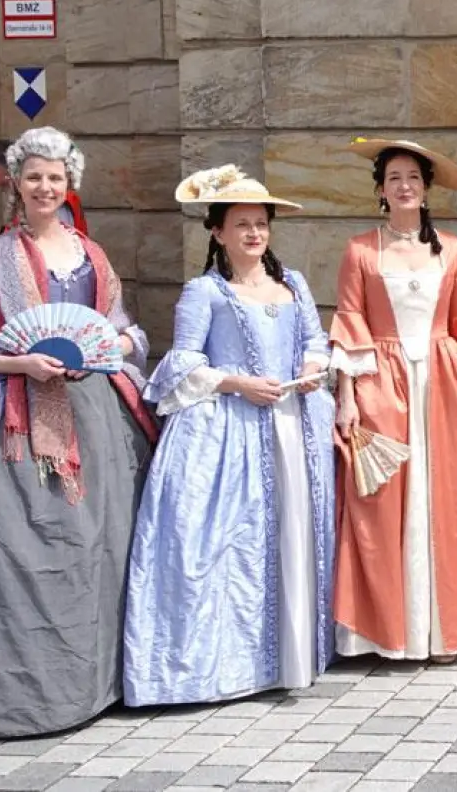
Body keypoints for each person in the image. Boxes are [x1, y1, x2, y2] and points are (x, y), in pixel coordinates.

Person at [122, 166, 336, 705]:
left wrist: (311, 369)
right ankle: (224, 667)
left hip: (292, 424)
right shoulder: (205, 292)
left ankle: (291, 656)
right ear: (217, 232)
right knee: (227, 545)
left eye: (261, 224)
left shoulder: (293, 284)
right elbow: (181, 364)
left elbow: (316, 339)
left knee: (289, 534)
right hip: (229, 431)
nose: (254, 234)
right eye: (242, 224)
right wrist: (237, 381)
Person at [0, 127, 157, 737]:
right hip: (21, 421)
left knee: (100, 548)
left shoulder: (93, 255)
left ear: (69, 183)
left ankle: (102, 683)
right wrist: (20, 362)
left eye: (55, 177)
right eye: (34, 177)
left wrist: (114, 346)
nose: (45, 187)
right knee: (36, 548)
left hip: (97, 417)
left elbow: (124, 329)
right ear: (15, 185)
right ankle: (39, 695)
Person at [329, 138, 457, 664]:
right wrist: (348, 396)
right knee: (381, 504)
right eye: (394, 178)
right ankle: (387, 632)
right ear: (380, 189)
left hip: (445, 387)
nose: (405, 187)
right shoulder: (360, 249)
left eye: (414, 179)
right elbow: (350, 320)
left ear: (426, 190)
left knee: (442, 502)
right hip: (383, 382)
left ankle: (441, 631)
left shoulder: (452, 248)